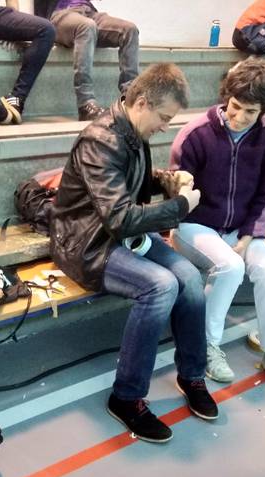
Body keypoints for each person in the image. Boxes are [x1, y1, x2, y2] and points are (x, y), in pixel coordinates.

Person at [50, 63, 217, 443]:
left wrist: (166, 181)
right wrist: (180, 206)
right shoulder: (99, 141)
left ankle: (192, 375)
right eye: (164, 118)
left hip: (117, 235)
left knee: (190, 278)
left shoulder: (132, 131)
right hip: (86, 244)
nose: (166, 127)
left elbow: (129, 183)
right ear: (142, 102)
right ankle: (126, 397)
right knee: (161, 285)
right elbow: (120, 217)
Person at [169, 57, 265, 395]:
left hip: (243, 228)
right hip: (194, 226)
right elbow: (177, 196)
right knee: (230, 267)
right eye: (235, 106)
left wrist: (250, 234)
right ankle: (204, 346)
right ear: (227, 96)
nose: (238, 117)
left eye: (250, 112)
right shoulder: (195, 134)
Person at [34, 0, 139, 121]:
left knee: (130, 30)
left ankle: (131, 100)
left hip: (89, 12)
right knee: (87, 26)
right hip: (61, 14)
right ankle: (85, 103)